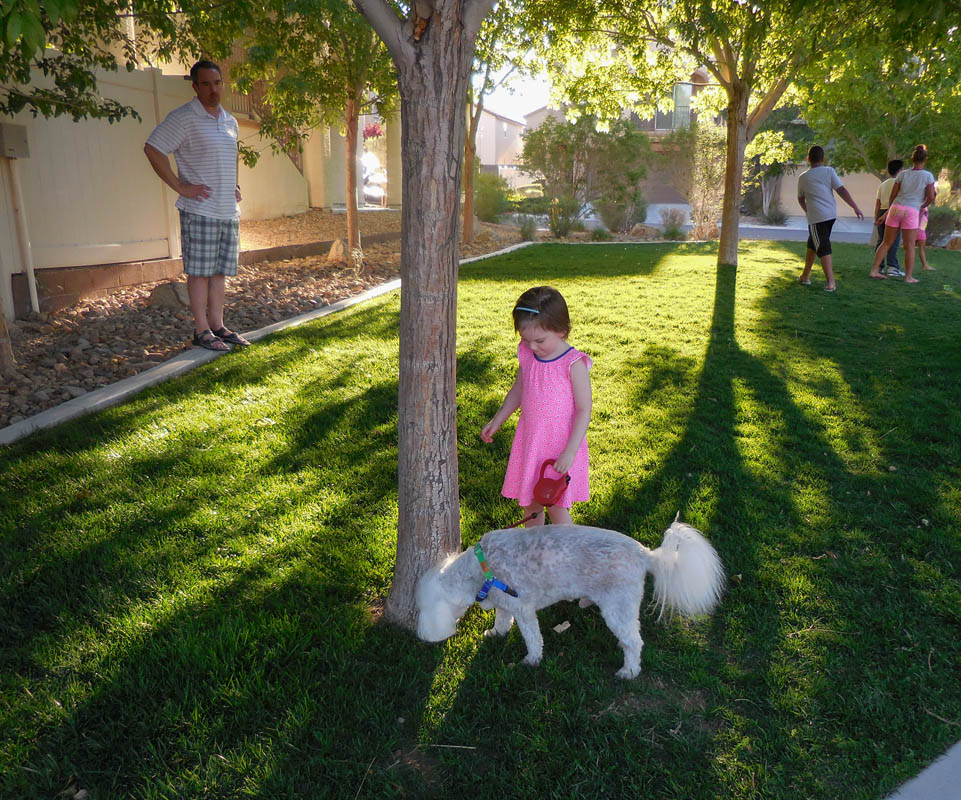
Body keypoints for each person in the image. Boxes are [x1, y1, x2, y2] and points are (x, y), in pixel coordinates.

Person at [144, 60, 251, 351]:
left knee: (219, 273)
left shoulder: (230, 121)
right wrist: (181, 186)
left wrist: (234, 184)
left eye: (217, 83)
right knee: (200, 272)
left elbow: (229, 158)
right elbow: (153, 149)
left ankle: (218, 326)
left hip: (227, 210)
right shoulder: (184, 118)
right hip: (200, 210)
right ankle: (201, 330)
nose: (213, 89)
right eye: (205, 84)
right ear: (195, 87)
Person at [481, 286, 593, 527]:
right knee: (531, 503)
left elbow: (584, 410)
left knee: (555, 504)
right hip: (531, 442)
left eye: (539, 340)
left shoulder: (573, 364)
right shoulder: (528, 355)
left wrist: (570, 452)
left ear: (561, 330)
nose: (532, 346)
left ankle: (568, 555)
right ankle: (535, 553)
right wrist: (498, 419)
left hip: (560, 447)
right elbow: (519, 390)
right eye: (525, 339)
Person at [797, 145, 865, 292]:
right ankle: (805, 276)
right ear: (823, 159)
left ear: (808, 159)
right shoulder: (829, 171)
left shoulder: (803, 178)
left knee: (822, 246)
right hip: (830, 215)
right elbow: (841, 190)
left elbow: (801, 198)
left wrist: (806, 211)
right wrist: (855, 207)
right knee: (813, 244)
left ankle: (831, 283)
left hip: (817, 217)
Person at [869, 144, 936, 284]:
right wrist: (922, 206)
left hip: (896, 209)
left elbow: (893, 195)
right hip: (911, 210)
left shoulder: (903, 174)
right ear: (925, 159)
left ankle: (875, 270)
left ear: (912, 159)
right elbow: (930, 196)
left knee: (886, 243)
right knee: (909, 246)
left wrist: (886, 213)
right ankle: (908, 277)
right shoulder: (927, 176)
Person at [874, 160, 905, 277]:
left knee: (881, 240)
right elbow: (896, 200)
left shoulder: (883, 184)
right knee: (894, 241)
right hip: (893, 211)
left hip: (882, 210)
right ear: (900, 170)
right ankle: (892, 267)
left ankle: (879, 266)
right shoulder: (899, 184)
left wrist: (876, 217)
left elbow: (878, 202)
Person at [916, 206, 934, 271]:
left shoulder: (922, 204)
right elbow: (920, 215)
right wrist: (917, 227)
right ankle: (924, 265)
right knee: (921, 247)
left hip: (920, 228)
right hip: (919, 228)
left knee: (911, 247)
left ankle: (906, 264)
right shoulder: (923, 205)